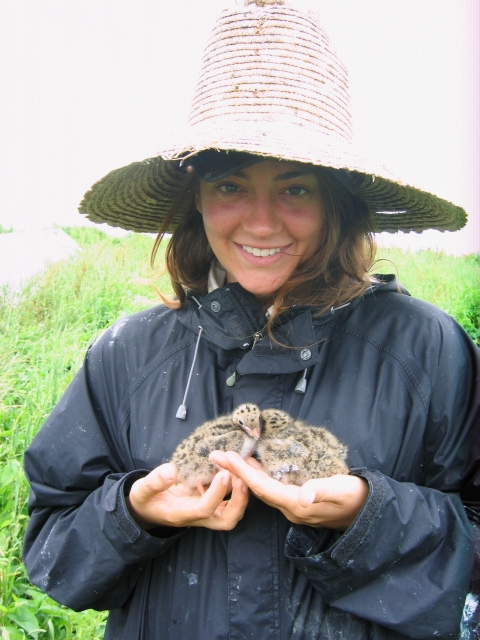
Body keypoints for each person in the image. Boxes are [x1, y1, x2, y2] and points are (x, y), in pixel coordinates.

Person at [23, 1, 480, 638]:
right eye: (231, 186)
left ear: (335, 202)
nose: (261, 224)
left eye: (296, 189)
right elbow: (51, 551)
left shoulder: (428, 348)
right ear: (196, 199)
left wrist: (369, 517)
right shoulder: (125, 354)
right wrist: (135, 513)